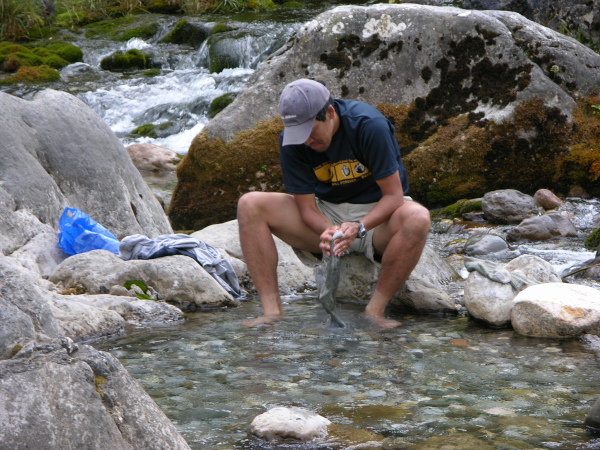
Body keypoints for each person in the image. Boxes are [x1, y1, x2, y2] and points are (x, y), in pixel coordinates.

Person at [237, 78, 430, 328]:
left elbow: (393, 196)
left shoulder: (368, 125)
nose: (306, 141)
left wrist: (358, 227)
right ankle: (272, 312)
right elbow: (306, 207)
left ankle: (375, 312)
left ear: (329, 112)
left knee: (419, 217)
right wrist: (328, 230)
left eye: (310, 132)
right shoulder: (293, 141)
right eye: (299, 134)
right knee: (250, 204)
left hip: (379, 217)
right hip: (325, 210)